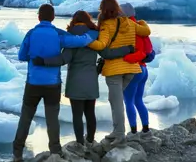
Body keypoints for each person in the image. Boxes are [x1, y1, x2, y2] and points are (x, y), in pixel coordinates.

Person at [32, 11, 133, 153]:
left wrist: (43, 61)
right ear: (88, 21)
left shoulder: (71, 37)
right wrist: (127, 49)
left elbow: (62, 59)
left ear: (74, 21)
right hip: (91, 80)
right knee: (90, 113)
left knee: (77, 114)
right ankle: (90, 141)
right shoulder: (93, 36)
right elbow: (108, 53)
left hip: (75, 82)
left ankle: (80, 143)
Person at [13, 4, 96, 161]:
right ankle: (55, 152)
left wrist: (34, 56)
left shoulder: (31, 33)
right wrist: (93, 33)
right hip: (52, 84)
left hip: (33, 83)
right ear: (53, 17)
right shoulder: (58, 34)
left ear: (39, 17)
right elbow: (80, 41)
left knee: (26, 117)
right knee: (52, 119)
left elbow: (22, 56)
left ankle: (17, 153)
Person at [87, 0, 151, 147]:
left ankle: (120, 135)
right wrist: (141, 22)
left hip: (115, 70)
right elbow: (146, 31)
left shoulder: (106, 25)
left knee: (117, 104)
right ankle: (117, 131)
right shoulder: (129, 22)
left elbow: (102, 44)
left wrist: (86, 41)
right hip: (132, 69)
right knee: (114, 100)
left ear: (103, 9)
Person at [120, 3, 154, 140]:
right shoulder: (142, 29)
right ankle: (145, 128)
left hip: (133, 69)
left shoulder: (126, 28)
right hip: (144, 69)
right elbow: (149, 50)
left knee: (128, 101)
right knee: (138, 100)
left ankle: (133, 131)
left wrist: (125, 58)